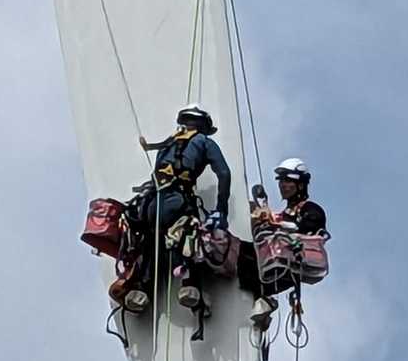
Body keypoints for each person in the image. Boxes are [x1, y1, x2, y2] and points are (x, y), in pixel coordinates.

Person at [116, 105, 233, 317]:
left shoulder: (168, 143)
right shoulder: (204, 142)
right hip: (177, 201)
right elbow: (224, 173)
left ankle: (141, 289)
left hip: (149, 204)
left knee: (151, 240)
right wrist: (221, 209)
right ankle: (190, 286)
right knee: (189, 237)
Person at [240, 158, 328, 328]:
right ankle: (261, 303)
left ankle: (263, 301)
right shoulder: (282, 215)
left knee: (249, 257)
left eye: (287, 181)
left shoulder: (310, 210)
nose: (282, 185)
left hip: (290, 264)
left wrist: (275, 224)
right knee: (242, 253)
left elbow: (307, 227)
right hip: (273, 265)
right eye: (281, 181)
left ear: (300, 185)